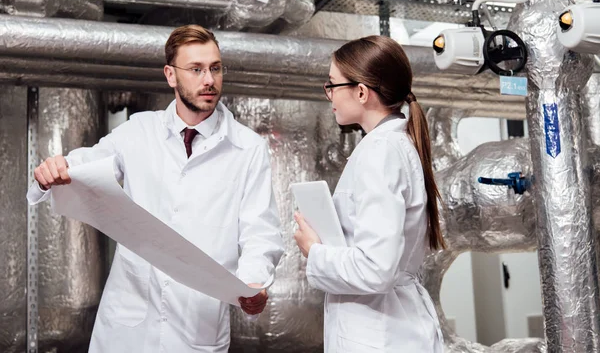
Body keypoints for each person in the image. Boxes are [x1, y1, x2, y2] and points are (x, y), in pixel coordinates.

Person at [27, 25, 284, 353]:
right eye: (196, 69)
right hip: (128, 320)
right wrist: (54, 170)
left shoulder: (248, 148)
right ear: (170, 75)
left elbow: (260, 231)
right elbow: (86, 165)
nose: (209, 80)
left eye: (215, 68)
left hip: (198, 320)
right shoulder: (139, 131)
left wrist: (252, 283)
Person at [293, 35, 445, 352]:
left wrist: (315, 251)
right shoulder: (390, 146)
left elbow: (376, 269)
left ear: (361, 92)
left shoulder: (381, 152)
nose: (329, 95)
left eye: (332, 85)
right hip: (389, 327)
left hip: (381, 333)